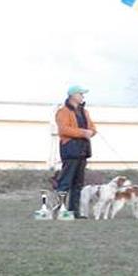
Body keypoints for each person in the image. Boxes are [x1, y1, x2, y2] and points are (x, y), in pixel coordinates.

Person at [54, 85, 97, 219]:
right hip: (70, 150)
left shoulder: (85, 112)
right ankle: (61, 210)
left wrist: (90, 132)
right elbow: (63, 130)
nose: (83, 96)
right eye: (80, 94)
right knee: (65, 182)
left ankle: (74, 211)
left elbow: (93, 128)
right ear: (72, 95)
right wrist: (83, 133)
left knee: (78, 183)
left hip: (83, 150)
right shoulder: (63, 111)